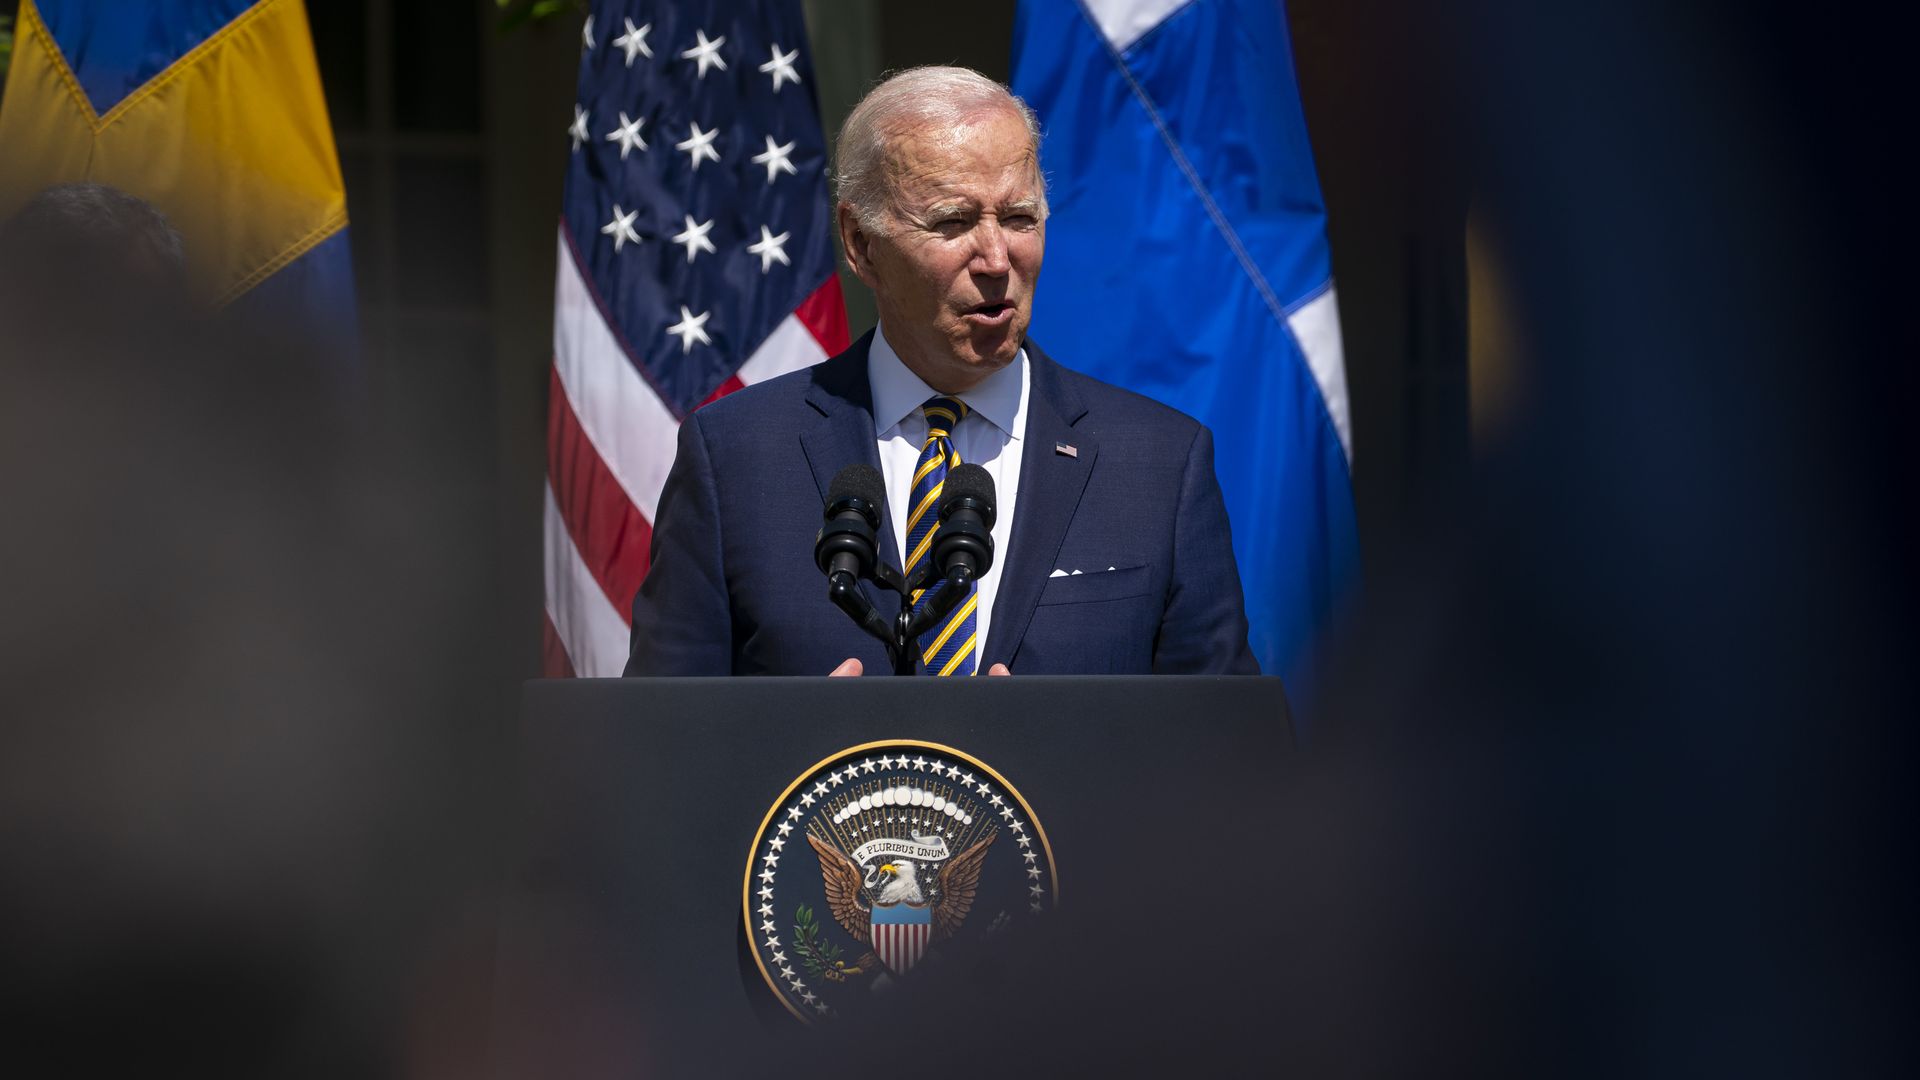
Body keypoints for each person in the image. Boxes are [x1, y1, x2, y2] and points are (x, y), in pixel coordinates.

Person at [626, 67, 1256, 676]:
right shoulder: (734, 459)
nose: (995, 257)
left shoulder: (1161, 465)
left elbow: (1229, 756)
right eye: (953, 221)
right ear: (860, 243)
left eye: (1019, 218)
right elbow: (656, 750)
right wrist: (800, 749)